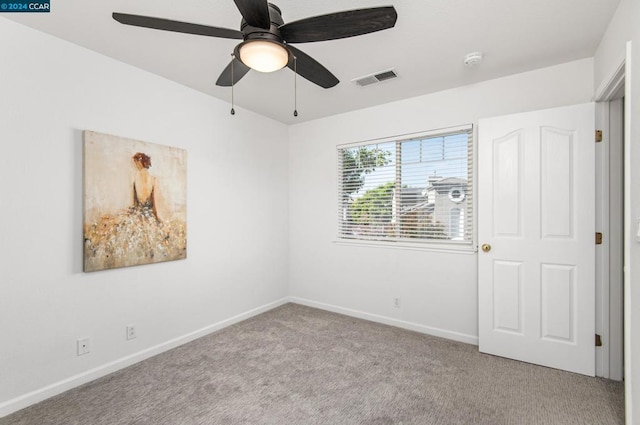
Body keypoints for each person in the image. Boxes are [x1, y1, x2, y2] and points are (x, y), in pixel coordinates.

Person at [132, 152, 160, 221]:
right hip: (148, 214)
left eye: (136, 162)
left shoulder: (135, 178)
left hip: (138, 214)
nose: (136, 165)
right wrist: (156, 216)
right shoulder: (153, 179)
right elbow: (154, 200)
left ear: (140, 162)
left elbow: (134, 201)